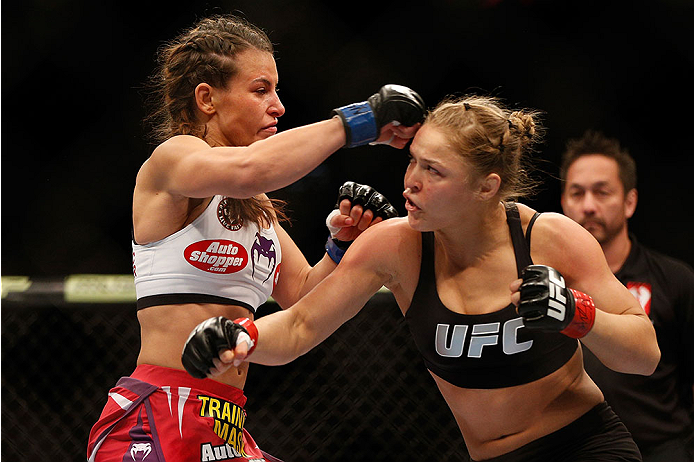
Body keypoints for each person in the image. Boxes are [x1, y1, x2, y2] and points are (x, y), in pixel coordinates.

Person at [182, 95, 661, 461]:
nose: (411, 180)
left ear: (485, 187)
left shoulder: (549, 238)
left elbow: (645, 354)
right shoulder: (397, 245)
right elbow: (301, 325)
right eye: (413, 159)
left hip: (586, 446)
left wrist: (578, 315)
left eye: (433, 170)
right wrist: (241, 336)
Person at [86, 13, 425, 462]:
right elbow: (250, 169)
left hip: (227, 425)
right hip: (159, 412)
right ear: (207, 98)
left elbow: (303, 295)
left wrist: (341, 246)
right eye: (261, 89)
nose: (279, 106)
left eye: (276, 90)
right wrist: (358, 123)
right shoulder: (174, 160)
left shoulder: (255, 205)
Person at [559, 130, 694, 461]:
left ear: (630, 201)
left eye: (602, 192)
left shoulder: (674, 279)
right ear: (563, 202)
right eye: (577, 193)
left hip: (661, 449)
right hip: (575, 449)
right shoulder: (546, 281)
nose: (588, 206)